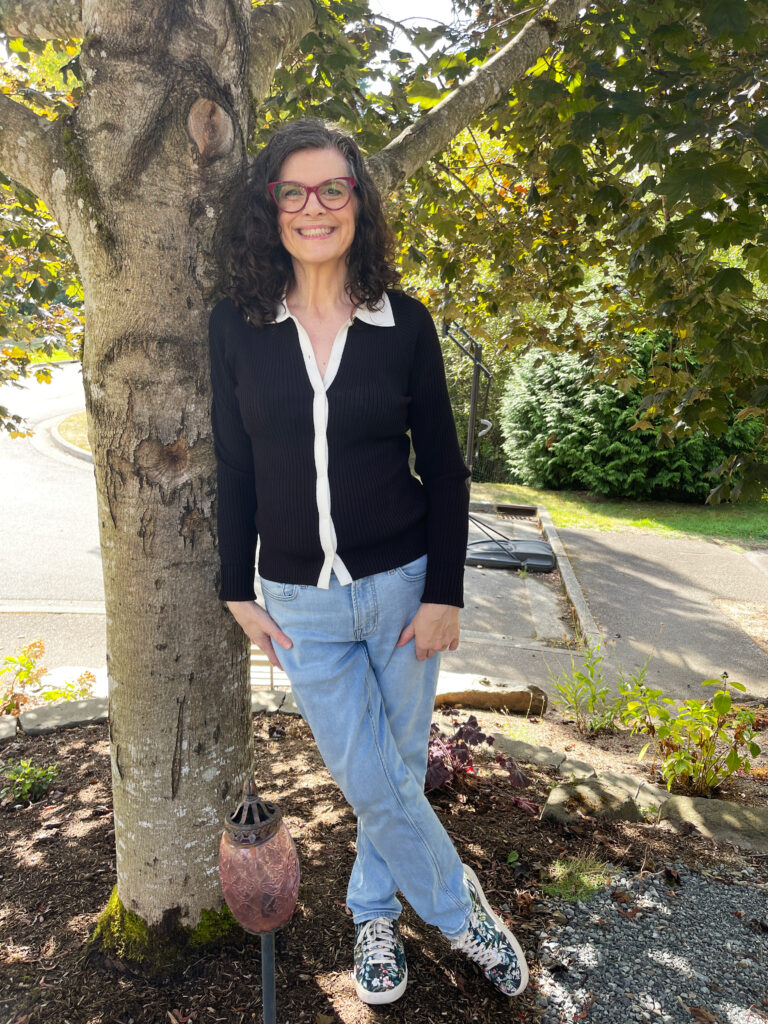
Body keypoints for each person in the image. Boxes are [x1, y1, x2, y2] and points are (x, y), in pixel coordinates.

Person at [209, 118, 528, 1005]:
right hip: (299, 604)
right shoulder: (238, 328)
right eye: (294, 192)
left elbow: (448, 470)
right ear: (269, 208)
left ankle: (373, 916)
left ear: (359, 204)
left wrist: (446, 595)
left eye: (333, 190)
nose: (314, 207)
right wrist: (237, 587)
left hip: (401, 593)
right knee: (372, 776)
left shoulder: (405, 324)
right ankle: (464, 918)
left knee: (392, 771)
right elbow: (235, 464)